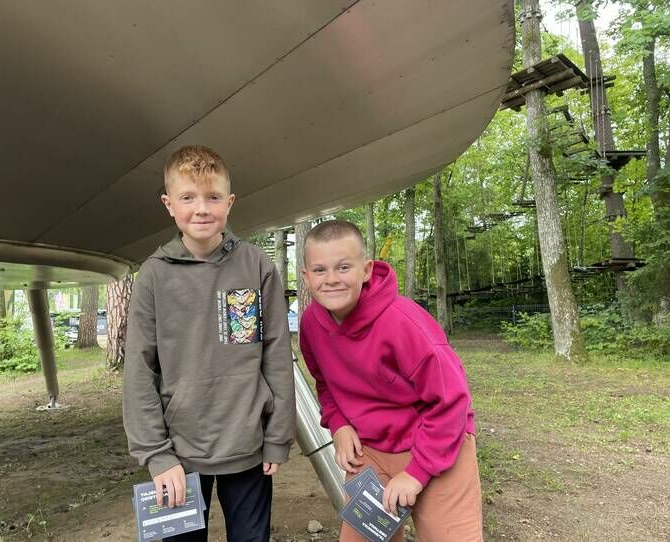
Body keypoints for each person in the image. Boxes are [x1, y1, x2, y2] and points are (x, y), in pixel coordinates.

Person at [123, 145, 296, 541]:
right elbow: (139, 370)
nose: (201, 209)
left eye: (213, 197)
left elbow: (276, 355)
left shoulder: (256, 265)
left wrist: (277, 437)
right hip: (179, 456)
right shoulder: (153, 276)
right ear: (169, 204)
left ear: (229, 202)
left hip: (248, 448)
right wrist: (157, 454)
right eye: (188, 198)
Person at [299, 219, 482, 541]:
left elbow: (452, 401)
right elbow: (324, 382)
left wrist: (416, 473)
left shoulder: (403, 322)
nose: (331, 279)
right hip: (370, 447)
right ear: (306, 277)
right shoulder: (311, 324)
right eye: (319, 270)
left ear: (366, 270)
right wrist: (338, 423)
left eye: (344, 267)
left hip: (437, 442)